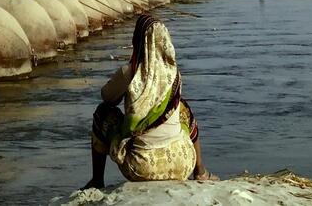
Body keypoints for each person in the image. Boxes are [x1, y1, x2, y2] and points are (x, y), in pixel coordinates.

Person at [85, 14, 216, 187]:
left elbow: (107, 98)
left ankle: (97, 180)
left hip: (141, 168)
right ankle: (200, 172)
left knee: (102, 113)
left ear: (138, 40)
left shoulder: (130, 73)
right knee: (183, 108)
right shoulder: (174, 73)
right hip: (182, 163)